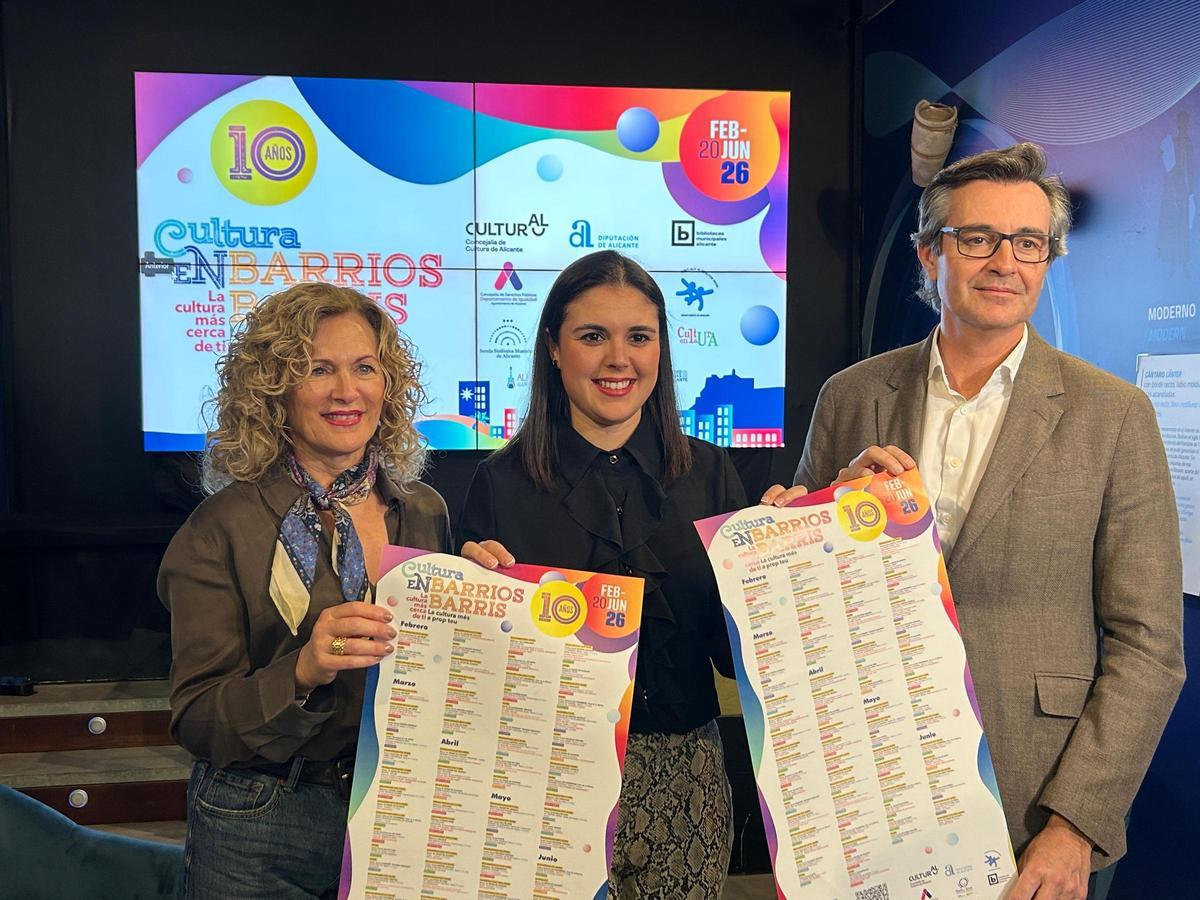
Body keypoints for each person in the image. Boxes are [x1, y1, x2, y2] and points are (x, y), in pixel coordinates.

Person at [766, 143, 1185, 900]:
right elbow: (799, 593)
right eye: (978, 238)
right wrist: (811, 522)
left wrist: (1077, 824)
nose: (1005, 261)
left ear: (1049, 260)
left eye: (1029, 243)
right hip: (871, 790)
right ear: (930, 256)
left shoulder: (1114, 415)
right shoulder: (852, 396)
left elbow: (1149, 644)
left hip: (1037, 803)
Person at [459, 250, 756, 898]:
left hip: (686, 780)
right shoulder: (499, 486)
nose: (618, 358)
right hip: (542, 780)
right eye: (593, 336)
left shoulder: (709, 474)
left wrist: (782, 569)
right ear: (554, 350)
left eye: (638, 337)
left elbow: (739, 659)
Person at [159, 283, 451, 898]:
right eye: (319, 369)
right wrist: (302, 672)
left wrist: (486, 592)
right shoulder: (219, 530)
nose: (348, 392)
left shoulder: (424, 512)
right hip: (260, 822)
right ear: (274, 390)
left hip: (398, 808)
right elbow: (198, 720)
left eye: (365, 368)